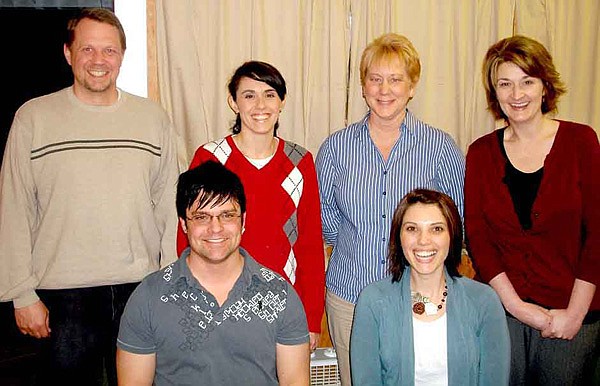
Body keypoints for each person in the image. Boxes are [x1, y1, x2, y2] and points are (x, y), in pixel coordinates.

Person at [0, 8, 178, 385]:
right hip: (62, 297)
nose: (99, 61)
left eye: (109, 51)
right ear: (69, 53)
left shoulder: (152, 118)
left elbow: (168, 205)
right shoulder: (33, 118)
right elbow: (13, 208)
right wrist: (20, 294)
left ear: (122, 56)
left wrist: (171, 282)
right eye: (88, 50)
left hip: (141, 289)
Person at [315, 32, 465, 384]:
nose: (385, 89)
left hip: (421, 297)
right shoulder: (336, 149)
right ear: (363, 85)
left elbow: (457, 223)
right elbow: (326, 222)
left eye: (396, 79)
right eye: (375, 79)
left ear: (412, 86)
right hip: (350, 296)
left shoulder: (439, 147)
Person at [465, 35, 600, 385]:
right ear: (494, 93)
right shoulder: (480, 153)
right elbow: (478, 237)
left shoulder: (581, 142)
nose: (517, 94)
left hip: (572, 315)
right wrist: (515, 306)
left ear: (544, 85)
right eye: (504, 84)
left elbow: (597, 233)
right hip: (503, 312)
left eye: (527, 81)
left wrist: (574, 313)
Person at [176, 60, 325, 350]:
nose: (260, 104)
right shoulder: (210, 158)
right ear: (233, 102)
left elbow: (309, 247)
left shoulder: (300, 162)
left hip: (282, 306)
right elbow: (187, 239)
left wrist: (310, 319)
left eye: (270, 94)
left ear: (282, 102)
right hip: (218, 305)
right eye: (249, 95)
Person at [117, 160, 310, 385]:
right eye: (201, 217)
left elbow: (295, 381)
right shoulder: (149, 297)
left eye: (227, 215)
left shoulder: (280, 295)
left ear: (243, 221)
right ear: (183, 224)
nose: (215, 228)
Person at [351, 189, 509, 385]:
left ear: (452, 236)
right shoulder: (373, 301)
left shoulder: (484, 301)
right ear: (398, 237)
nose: (423, 240)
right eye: (412, 229)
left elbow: (494, 380)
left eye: (436, 229)